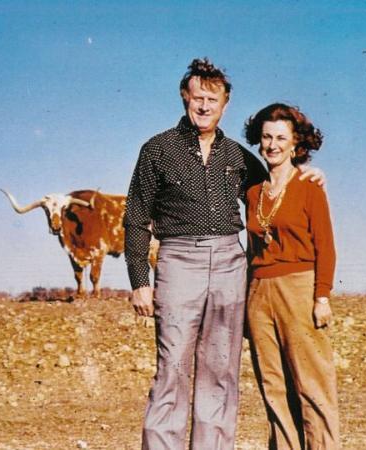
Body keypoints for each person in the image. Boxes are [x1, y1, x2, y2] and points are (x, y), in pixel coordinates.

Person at [124, 59, 324, 450]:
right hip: (179, 261)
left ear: (225, 104)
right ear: (185, 97)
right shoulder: (157, 149)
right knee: (173, 367)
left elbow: (275, 185)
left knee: (220, 371)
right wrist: (139, 282)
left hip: (231, 265)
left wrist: (308, 173)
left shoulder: (236, 156)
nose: (203, 105)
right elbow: (135, 217)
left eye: (212, 99)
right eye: (197, 96)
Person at [244, 103, 339, 449]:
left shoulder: (309, 186)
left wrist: (322, 296)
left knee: (312, 387)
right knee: (274, 388)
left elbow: (325, 247)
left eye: (281, 137)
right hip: (258, 292)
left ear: (296, 143)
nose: (272, 144)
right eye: (267, 136)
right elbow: (253, 248)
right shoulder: (253, 191)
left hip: (300, 289)